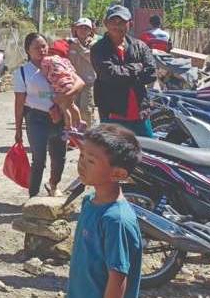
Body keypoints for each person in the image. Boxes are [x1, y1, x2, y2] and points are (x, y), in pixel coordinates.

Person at [68, 124, 143, 298]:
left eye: (91, 161)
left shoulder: (116, 220)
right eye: (81, 156)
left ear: (118, 174)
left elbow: (117, 278)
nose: (82, 164)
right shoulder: (89, 201)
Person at [14, 33, 75, 197]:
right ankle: (33, 196)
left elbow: (77, 82)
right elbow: (19, 102)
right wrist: (18, 128)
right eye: (36, 47)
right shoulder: (22, 72)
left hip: (59, 116)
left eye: (44, 46)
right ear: (28, 50)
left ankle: (53, 185)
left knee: (59, 157)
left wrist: (63, 100)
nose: (41, 50)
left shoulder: (57, 64)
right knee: (38, 159)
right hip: (36, 118)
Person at [91, 5, 157, 138]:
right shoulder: (98, 49)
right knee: (115, 155)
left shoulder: (140, 46)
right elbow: (109, 75)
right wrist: (137, 68)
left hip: (140, 112)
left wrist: (122, 74)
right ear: (105, 24)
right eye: (113, 22)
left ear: (130, 24)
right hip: (113, 114)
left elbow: (151, 73)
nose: (117, 26)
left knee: (147, 152)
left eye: (121, 22)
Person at [67, 18, 99, 125]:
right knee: (73, 108)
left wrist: (78, 47)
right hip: (73, 83)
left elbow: (90, 57)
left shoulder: (94, 44)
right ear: (76, 29)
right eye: (80, 27)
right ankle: (74, 136)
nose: (83, 30)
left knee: (86, 110)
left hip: (88, 83)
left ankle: (87, 134)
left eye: (86, 28)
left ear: (90, 31)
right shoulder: (69, 43)